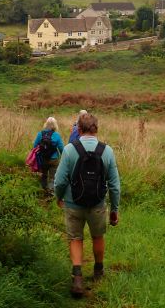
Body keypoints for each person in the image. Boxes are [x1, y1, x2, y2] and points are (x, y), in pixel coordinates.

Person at [54, 113, 120, 298]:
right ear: (96, 129)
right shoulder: (107, 151)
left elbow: (59, 181)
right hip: (97, 204)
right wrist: (114, 210)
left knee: (75, 238)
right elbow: (115, 185)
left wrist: (59, 197)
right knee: (98, 236)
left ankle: (77, 277)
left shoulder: (69, 150)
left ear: (78, 130)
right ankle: (98, 271)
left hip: (73, 203)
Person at [32, 117, 65, 194]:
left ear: (46, 124)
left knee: (44, 174)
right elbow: (61, 148)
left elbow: (35, 146)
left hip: (42, 159)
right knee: (53, 176)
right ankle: (50, 191)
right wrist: (63, 156)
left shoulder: (40, 134)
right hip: (54, 159)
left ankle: (43, 189)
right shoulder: (57, 135)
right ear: (55, 125)